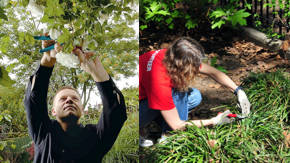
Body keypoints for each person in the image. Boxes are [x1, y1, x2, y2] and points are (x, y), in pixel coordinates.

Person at [24, 38, 127, 162]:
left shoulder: (96, 136)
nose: (69, 100)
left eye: (75, 98)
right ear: (53, 111)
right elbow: (33, 100)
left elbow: (116, 113)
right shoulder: (44, 132)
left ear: (82, 110)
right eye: (63, 99)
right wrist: (47, 61)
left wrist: (98, 73)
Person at [139, 37, 251, 147]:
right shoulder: (159, 82)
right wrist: (214, 121)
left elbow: (213, 72)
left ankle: (162, 124)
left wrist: (238, 90)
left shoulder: (171, 56)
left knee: (194, 96)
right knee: (179, 89)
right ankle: (169, 137)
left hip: (141, 97)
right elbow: (177, 125)